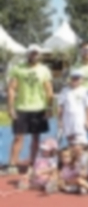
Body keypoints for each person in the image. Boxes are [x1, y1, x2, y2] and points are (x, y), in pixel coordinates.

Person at [6, 45, 53, 174]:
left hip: (39, 108)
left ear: (40, 55)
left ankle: (33, 163)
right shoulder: (18, 68)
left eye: (36, 53)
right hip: (22, 107)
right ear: (28, 54)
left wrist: (49, 107)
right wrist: (11, 107)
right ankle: (12, 164)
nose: (34, 56)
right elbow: (11, 89)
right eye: (32, 53)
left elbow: (49, 90)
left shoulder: (44, 70)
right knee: (18, 137)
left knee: (36, 138)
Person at [58, 69, 88, 147]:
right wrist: (60, 121)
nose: (75, 80)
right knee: (70, 141)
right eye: (73, 78)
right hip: (67, 120)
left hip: (79, 120)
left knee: (82, 142)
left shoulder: (85, 91)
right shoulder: (64, 90)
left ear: (82, 80)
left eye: (77, 78)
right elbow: (60, 106)